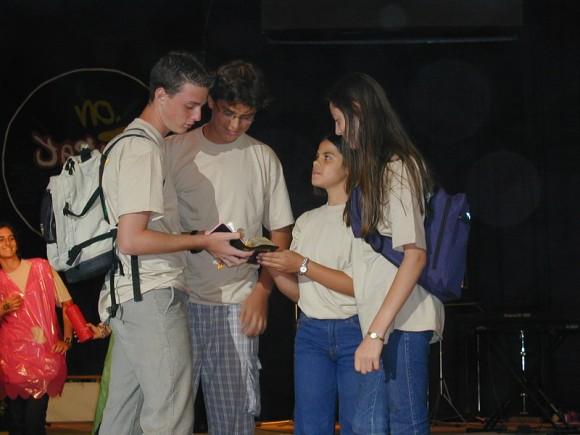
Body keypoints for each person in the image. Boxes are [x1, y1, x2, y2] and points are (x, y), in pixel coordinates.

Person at [96, 51, 251, 435]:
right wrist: (204, 241)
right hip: (151, 295)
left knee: (122, 419)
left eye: (201, 106)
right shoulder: (142, 148)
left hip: (132, 296)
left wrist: (201, 240)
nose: (197, 116)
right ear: (161, 95)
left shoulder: (130, 144)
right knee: (170, 418)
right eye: (189, 105)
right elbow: (132, 239)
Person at [164, 60, 294, 434]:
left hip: (239, 303)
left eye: (246, 116)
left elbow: (280, 233)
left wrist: (262, 291)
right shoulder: (175, 149)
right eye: (228, 113)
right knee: (167, 416)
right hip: (179, 300)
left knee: (235, 420)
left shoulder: (262, 157)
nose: (235, 125)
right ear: (211, 103)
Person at [327, 72, 445, 435]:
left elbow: (415, 255)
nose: (338, 131)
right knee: (367, 423)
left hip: (404, 322)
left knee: (405, 422)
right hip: (380, 322)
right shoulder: (372, 172)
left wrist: (376, 334)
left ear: (358, 110)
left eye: (339, 120)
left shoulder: (399, 167)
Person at [258, 134, 386, 435]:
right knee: (310, 424)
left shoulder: (365, 217)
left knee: (360, 424)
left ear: (350, 167)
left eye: (328, 157)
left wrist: (302, 264)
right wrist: (272, 265)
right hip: (311, 332)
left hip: (356, 329)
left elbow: (361, 286)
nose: (316, 163)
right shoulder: (306, 221)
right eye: (317, 156)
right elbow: (302, 293)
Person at [0, 222, 73, 435]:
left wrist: (67, 340)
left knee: (34, 423)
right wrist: (3, 307)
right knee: (16, 424)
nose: (7, 243)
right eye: (1, 239)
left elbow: (68, 305)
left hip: (43, 359)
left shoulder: (41, 268)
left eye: (11, 237)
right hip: (11, 364)